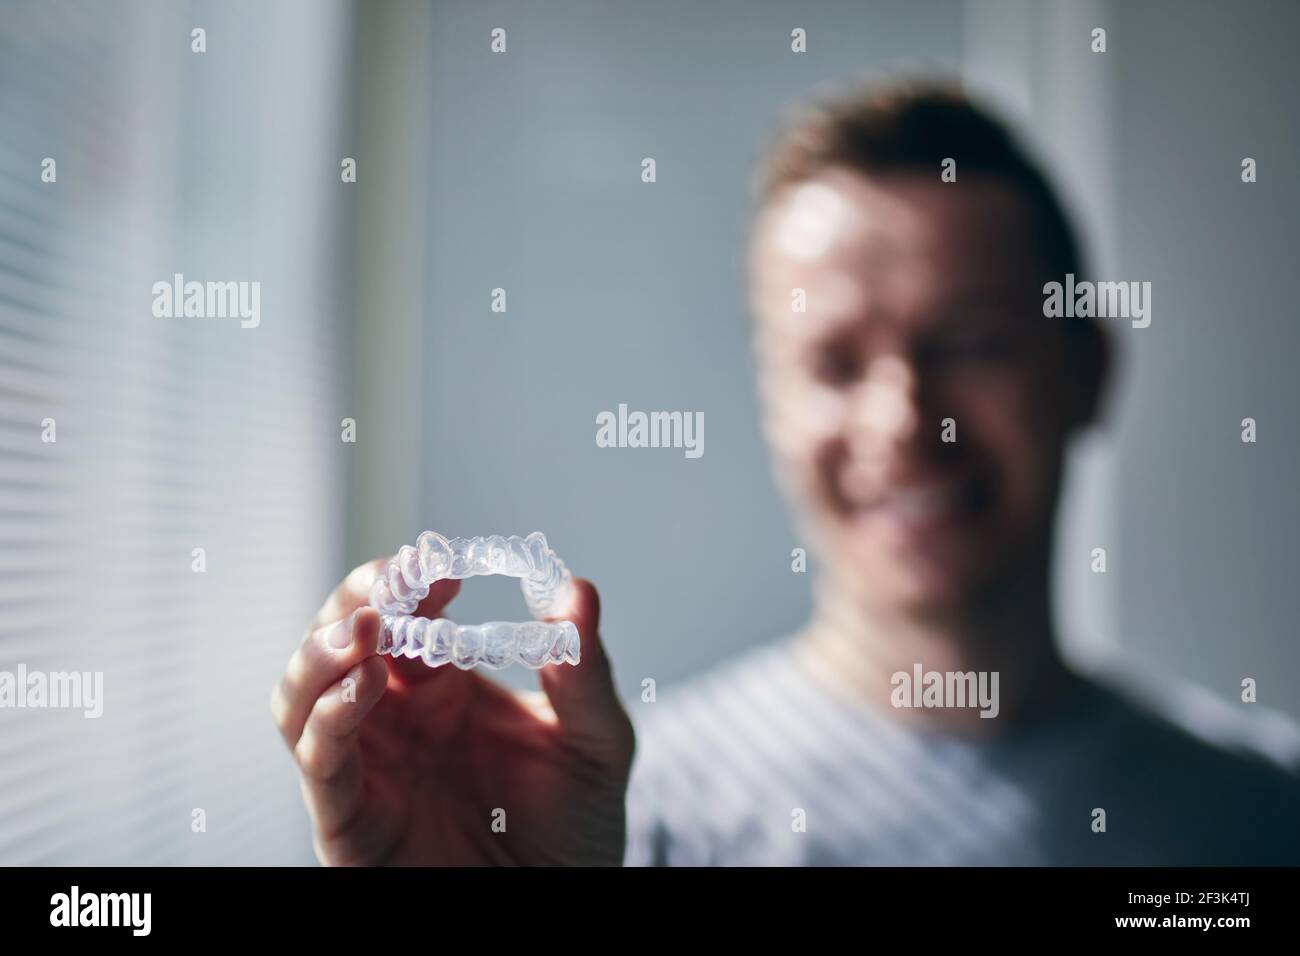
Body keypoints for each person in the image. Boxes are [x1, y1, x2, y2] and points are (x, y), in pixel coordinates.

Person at [270, 82, 1300, 866]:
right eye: (834, 362)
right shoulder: (624, 819)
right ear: (772, 400)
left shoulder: (1265, 810)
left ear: (1089, 369)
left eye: (976, 342)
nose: (902, 420)